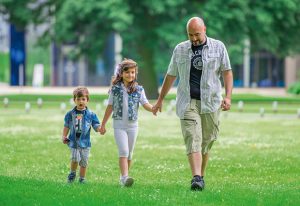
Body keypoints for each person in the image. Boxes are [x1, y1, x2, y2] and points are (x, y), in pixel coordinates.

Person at [153, 17, 233, 191]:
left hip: (211, 102)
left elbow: (227, 72)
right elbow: (171, 75)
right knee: (193, 138)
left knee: (206, 142)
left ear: (204, 29)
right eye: (191, 35)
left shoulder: (218, 47)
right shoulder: (180, 49)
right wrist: (160, 99)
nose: (194, 38)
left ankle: (201, 176)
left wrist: (228, 97)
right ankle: (196, 177)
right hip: (188, 102)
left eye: (197, 34)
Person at [100, 58, 154, 187]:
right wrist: (103, 124)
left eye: (133, 72)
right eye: (127, 72)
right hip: (119, 125)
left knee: (129, 153)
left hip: (133, 126)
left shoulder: (139, 89)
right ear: (121, 73)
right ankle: (125, 177)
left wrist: (153, 108)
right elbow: (110, 106)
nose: (130, 75)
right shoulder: (115, 89)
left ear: (135, 74)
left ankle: (123, 177)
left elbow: (145, 104)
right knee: (123, 151)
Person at [62, 87, 101, 183]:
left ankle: (82, 179)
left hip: (85, 143)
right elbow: (66, 126)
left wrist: (100, 129)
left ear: (87, 100)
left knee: (84, 161)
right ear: (74, 100)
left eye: (83, 99)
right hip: (73, 142)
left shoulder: (91, 115)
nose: (81, 101)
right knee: (75, 158)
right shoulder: (70, 114)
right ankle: (72, 173)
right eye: (78, 99)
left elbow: (96, 126)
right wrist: (64, 136)